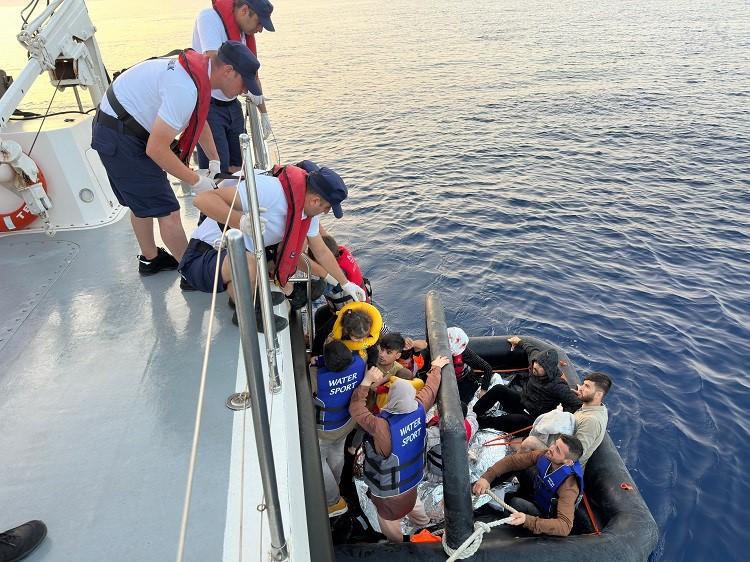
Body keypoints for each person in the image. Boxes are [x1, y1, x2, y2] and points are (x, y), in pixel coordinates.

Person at [91, 41, 261, 275]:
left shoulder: (197, 71)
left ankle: (150, 260)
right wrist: (195, 180)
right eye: (245, 84)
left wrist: (214, 160)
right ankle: (191, 272)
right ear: (229, 71)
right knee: (167, 209)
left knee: (141, 201)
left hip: (121, 125)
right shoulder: (185, 88)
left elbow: (198, 119)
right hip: (122, 137)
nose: (244, 91)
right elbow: (157, 150)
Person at [180, 163, 365, 328]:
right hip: (204, 256)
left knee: (263, 259)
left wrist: (345, 283)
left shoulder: (306, 213)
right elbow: (202, 200)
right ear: (315, 200)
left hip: (234, 257)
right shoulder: (270, 190)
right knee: (250, 263)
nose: (325, 213)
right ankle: (247, 315)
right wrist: (242, 221)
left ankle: (244, 297)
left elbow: (322, 251)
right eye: (327, 208)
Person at [349, 355, 450, 542]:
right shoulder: (420, 407)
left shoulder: (381, 426)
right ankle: (423, 524)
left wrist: (366, 382)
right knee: (414, 505)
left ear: (391, 399)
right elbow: (431, 388)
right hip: (412, 484)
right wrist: (436, 368)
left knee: (389, 521)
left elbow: (356, 408)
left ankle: (397, 546)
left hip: (388, 495)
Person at [192, 0, 276, 173]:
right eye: (259, 23)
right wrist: (247, 86)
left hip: (232, 105)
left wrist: (264, 113)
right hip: (210, 107)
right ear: (245, 10)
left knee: (240, 166)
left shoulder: (244, 33)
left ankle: (239, 197)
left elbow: (250, 72)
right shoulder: (209, 18)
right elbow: (216, 60)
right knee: (217, 169)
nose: (260, 30)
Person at [472, 434, 585, 537]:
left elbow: (565, 526)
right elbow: (514, 461)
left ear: (568, 462)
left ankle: (508, 530)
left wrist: (528, 520)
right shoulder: (546, 454)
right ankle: (477, 490)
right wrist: (487, 477)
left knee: (516, 503)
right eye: (554, 443)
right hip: (538, 492)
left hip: (545, 515)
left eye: (558, 450)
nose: (551, 448)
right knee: (518, 466)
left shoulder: (569, 486)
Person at [473, 336, 581, 433]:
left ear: (548, 370)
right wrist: (519, 341)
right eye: (536, 362)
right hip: (522, 402)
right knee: (499, 389)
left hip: (533, 418)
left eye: (541, 366)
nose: (536, 366)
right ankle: (472, 415)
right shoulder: (535, 362)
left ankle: (479, 424)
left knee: (510, 420)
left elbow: (575, 404)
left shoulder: (558, 385)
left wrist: (560, 417)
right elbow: (531, 350)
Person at [311, 340, 367, 517]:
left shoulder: (316, 376)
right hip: (346, 423)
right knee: (337, 454)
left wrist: (317, 361)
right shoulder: (360, 364)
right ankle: (334, 485)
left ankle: (333, 501)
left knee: (319, 463)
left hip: (324, 430)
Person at [520, 372, 611, 466]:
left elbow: (576, 455)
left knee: (529, 442)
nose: (582, 388)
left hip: (563, 463)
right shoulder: (595, 407)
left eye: (587, 386)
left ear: (598, 395)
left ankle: (516, 472)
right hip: (558, 447)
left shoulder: (591, 421)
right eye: (583, 384)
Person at [446, 327, 494, 403]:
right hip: (446, 385)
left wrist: (483, 390)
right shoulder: (435, 357)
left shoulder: (464, 352)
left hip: (464, 380)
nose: (463, 348)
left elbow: (487, 368)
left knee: (464, 400)